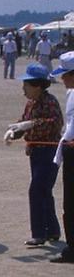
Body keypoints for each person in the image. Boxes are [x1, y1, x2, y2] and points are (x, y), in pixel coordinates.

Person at [3, 63, 63, 246]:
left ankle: (39, 233)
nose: (23, 89)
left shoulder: (50, 101)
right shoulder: (31, 103)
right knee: (44, 191)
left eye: (26, 85)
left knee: (36, 190)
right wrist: (15, 131)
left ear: (37, 85)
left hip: (49, 151)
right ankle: (52, 230)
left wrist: (31, 124)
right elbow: (24, 122)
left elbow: (54, 123)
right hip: (35, 152)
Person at [51, 52, 74, 263]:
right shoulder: (70, 94)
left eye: (65, 75)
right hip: (69, 148)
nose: (62, 79)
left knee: (71, 201)